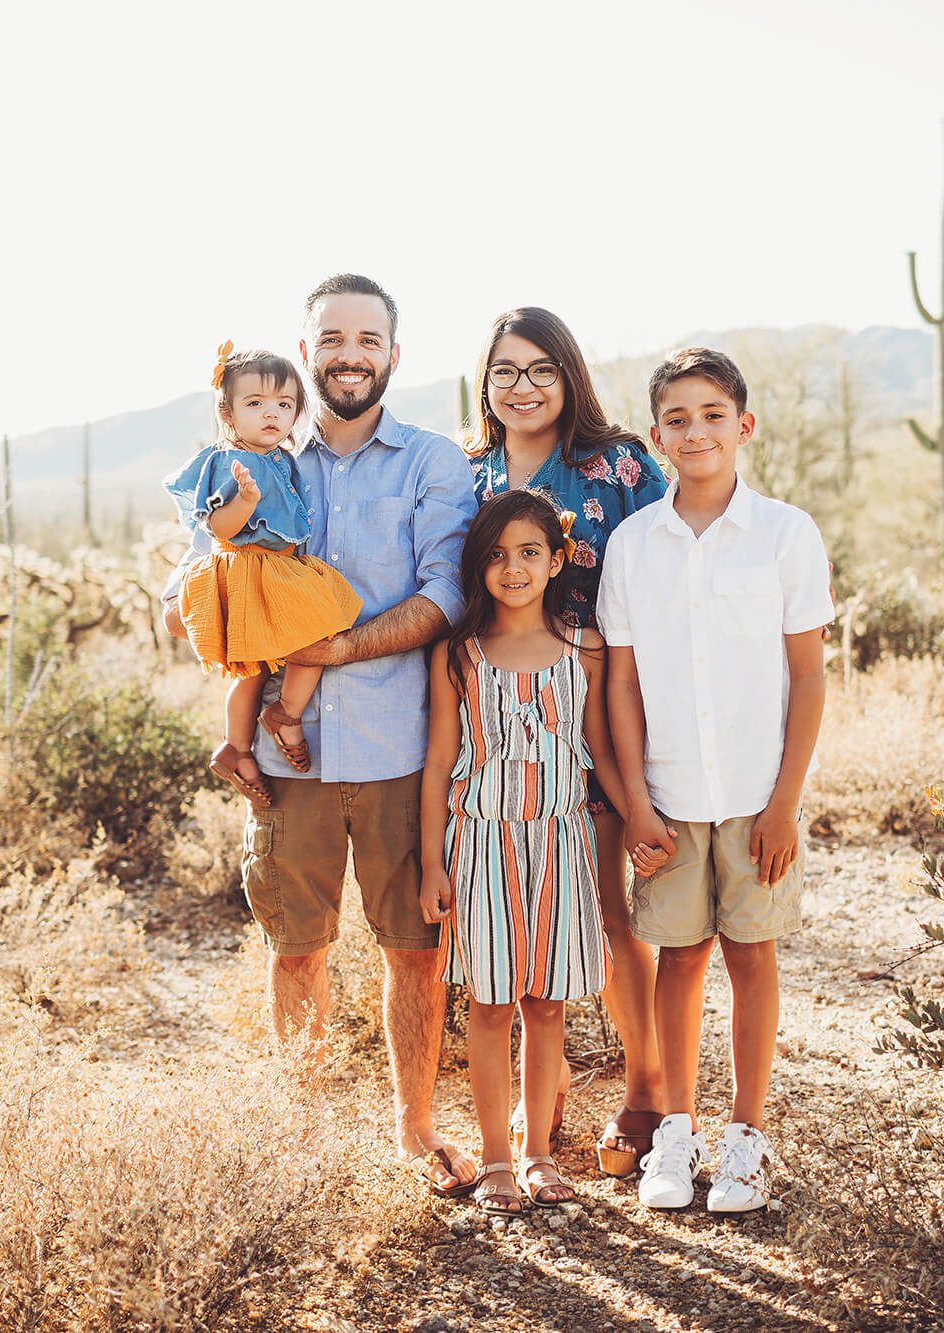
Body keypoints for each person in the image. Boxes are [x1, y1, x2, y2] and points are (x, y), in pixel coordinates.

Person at [162, 274, 480, 1197]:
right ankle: (297, 1134)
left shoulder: (429, 462)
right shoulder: (262, 460)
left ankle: (414, 1131)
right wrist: (226, 643)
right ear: (308, 354)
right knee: (296, 945)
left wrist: (332, 645)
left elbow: (448, 591)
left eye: (367, 338)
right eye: (331, 337)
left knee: (414, 950)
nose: (349, 352)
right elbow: (198, 578)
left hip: (396, 748)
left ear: (391, 353)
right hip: (282, 757)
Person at [597, 347, 832, 1214]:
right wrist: (634, 804)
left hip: (754, 797)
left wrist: (784, 803)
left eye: (712, 414)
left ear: (744, 424)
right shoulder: (633, 544)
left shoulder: (784, 534)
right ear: (657, 436)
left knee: (750, 955)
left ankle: (744, 1138)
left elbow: (806, 676)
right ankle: (676, 1131)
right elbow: (620, 682)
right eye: (677, 418)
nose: (696, 431)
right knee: (680, 956)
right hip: (667, 797)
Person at [464, 306, 671, 1178]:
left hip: (600, 704)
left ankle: (647, 1091)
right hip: (497, 727)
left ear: (569, 374)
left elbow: (667, 558)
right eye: (505, 371)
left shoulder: (617, 462)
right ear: (485, 383)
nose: (523, 387)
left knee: (606, 906)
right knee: (512, 914)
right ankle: (534, 1115)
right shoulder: (462, 471)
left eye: (541, 369)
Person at [419, 489, 631, 1214]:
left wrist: (639, 819)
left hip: (562, 838)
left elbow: (600, 748)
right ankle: (497, 1158)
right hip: (480, 844)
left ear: (557, 559)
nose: (513, 568)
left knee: (545, 1005)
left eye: (530, 552)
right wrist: (430, 862)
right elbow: (438, 760)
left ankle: (537, 1150)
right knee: (489, 1003)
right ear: (480, 564)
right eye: (498, 555)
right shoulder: (460, 655)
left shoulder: (586, 649)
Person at [163, 343, 362, 807]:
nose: (271, 414)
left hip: (277, 569)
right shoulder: (227, 460)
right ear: (228, 412)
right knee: (313, 636)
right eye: (255, 404)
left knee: (270, 660)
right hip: (248, 569)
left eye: (284, 405)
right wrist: (244, 503)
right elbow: (216, 527)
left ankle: (241, 743)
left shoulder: (279, 458)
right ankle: (280, 718)